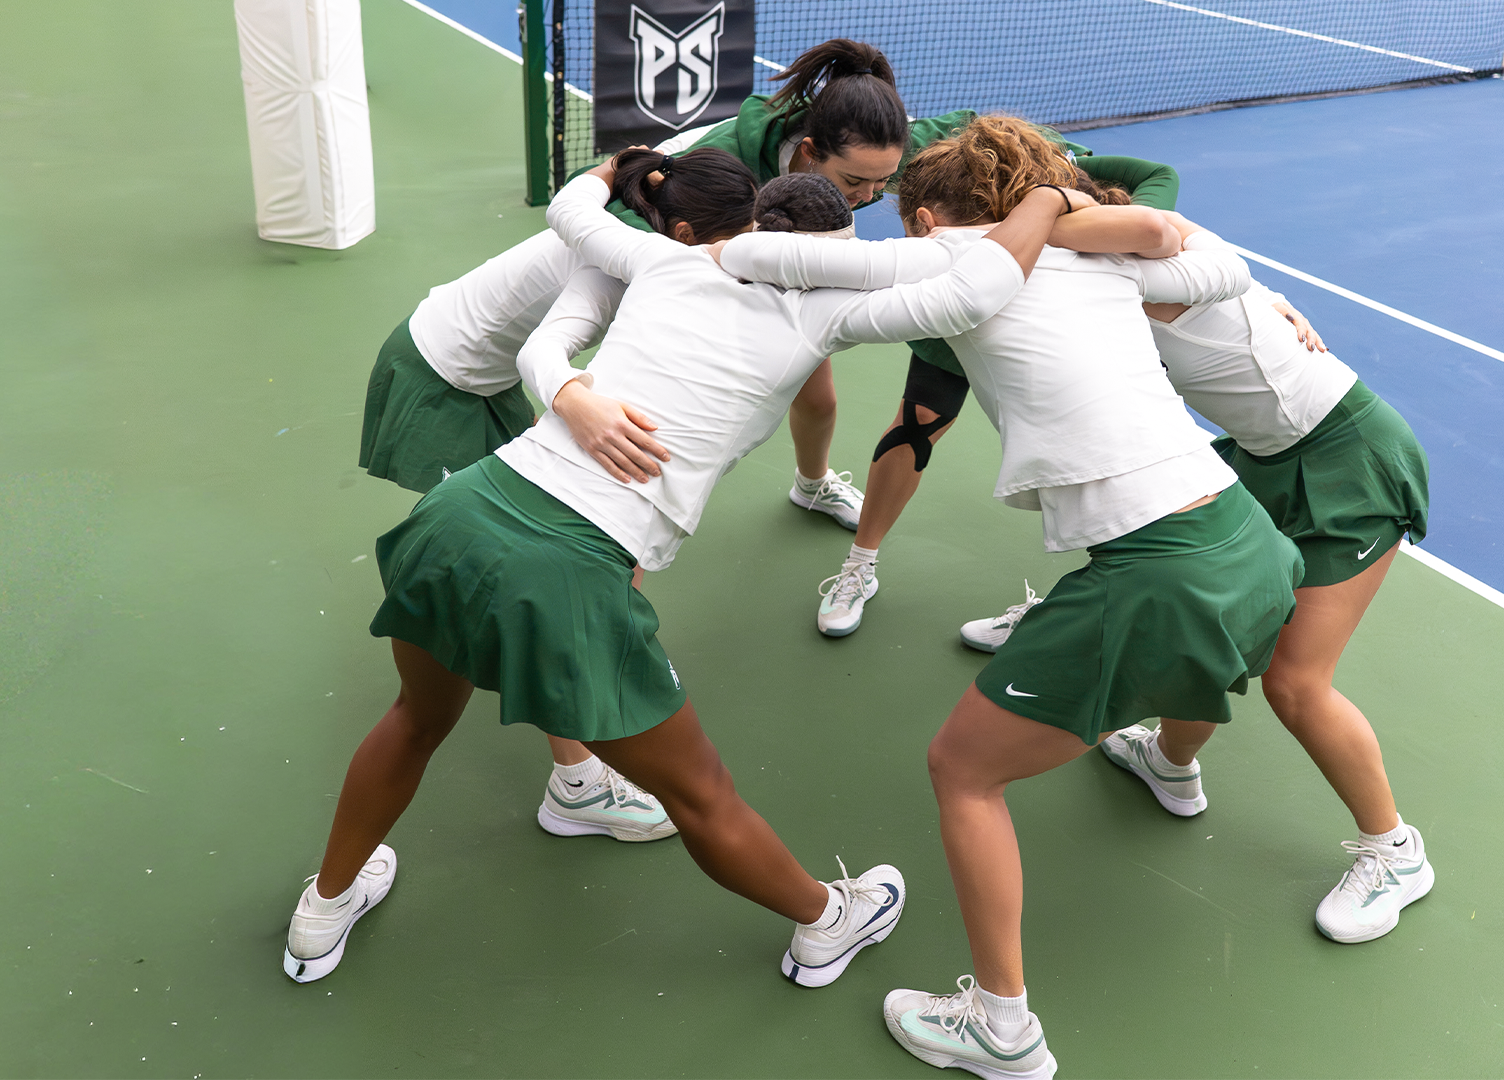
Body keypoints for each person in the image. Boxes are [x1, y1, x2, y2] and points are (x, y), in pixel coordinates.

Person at [281, 148, 1084, 987]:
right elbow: (976, 285)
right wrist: (1058, 198)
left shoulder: (662, 257)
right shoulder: (826, 315)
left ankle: (322, 911)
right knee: (700, 795)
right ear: (834, 255)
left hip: (462, 514)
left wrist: (609, 170)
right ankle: (824, 921)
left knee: (416, 718)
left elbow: (572, 216)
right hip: (569, 569)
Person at [715, 117, 1295, 1080]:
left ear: (930, 210)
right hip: (1246, 540)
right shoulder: (1098, 260)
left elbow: (763, 260)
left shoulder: (940, 255)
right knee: (1192, 647)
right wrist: (1077, 213)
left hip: (1160, 568)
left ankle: (1000, 1027)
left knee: (962, 770)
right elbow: (1222, 270)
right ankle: (1172, 769)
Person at [594, 40, 1179, 634]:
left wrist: (1082, 237)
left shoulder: (928, 151)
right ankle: (627, 560)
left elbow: (1136, 178)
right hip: (740, 304)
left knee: (824, 401)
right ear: (812, 151)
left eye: (885, 181)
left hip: (832, 293)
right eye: (854, 181)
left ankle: (812, 486)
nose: (872, 196)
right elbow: (621, 222)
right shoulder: (729, 165)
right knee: (694, 431)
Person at [959, 224, 1436, 947]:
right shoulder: (1106, 273)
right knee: (1219, 614)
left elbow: (1166, 230)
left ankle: (1397, 852)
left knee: (1296, 683)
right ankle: (1171, 765)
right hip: (1261, 453)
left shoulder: (1135, 264)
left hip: (1350, 459)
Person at [355, 191, 672, 842]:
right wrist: (571, 406)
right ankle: (577, 783)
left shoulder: (637, 235)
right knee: (521, 575)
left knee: (528, 557)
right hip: (441, 379)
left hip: (484, 374)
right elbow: (548, 355)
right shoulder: (616, 263)